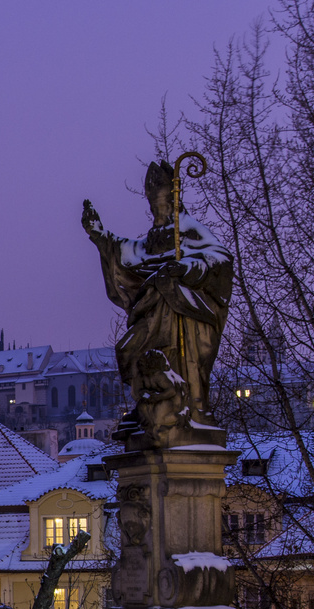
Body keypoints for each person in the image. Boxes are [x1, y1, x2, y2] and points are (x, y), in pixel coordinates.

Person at [82, 160, 233, 446]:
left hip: (182, 315)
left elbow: (219, 261)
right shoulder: (154, 238)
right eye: (152, 205)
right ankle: (145, 406)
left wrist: (186, 269)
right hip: (153, 312)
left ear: (173, 200)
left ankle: (185, 407)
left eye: (161, 204)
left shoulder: (189, 231)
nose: (156, 211)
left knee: (176, 359)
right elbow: (128, 254)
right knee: (128, 351)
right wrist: (99, 235)